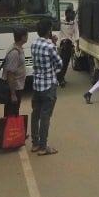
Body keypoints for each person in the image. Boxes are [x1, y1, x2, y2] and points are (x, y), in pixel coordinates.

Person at [30, 18, 63, 156]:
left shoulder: (34, 44)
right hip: (48, 85)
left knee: (35, 114)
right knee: (45, 116)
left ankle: (35, 144)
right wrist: (55, 44)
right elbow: (60, 64)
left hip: (36, 84)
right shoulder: (50, 47)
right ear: (49, 31)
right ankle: (44, 147)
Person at [3, 27, 28, 117]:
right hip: (14, 89)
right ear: (22, 37)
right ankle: (8, 131)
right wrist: (13, 94)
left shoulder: (19, 49)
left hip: (18, 87)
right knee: (11, 115)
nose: (27, 36)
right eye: (26, 35)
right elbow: (10, 74)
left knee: (14, 113)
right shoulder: (14, 53)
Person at [56, 8, 79, 87]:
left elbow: (76, 34)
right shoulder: (60, 21)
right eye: (70, 16)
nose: (72, 17)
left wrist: (77, 46)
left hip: (69, 44)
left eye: (73, 15)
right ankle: (60, 78)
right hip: (61, 44)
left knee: (66, 63)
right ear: (66, 15)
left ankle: (61, 77)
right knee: (61, 62)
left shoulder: (74, 23)